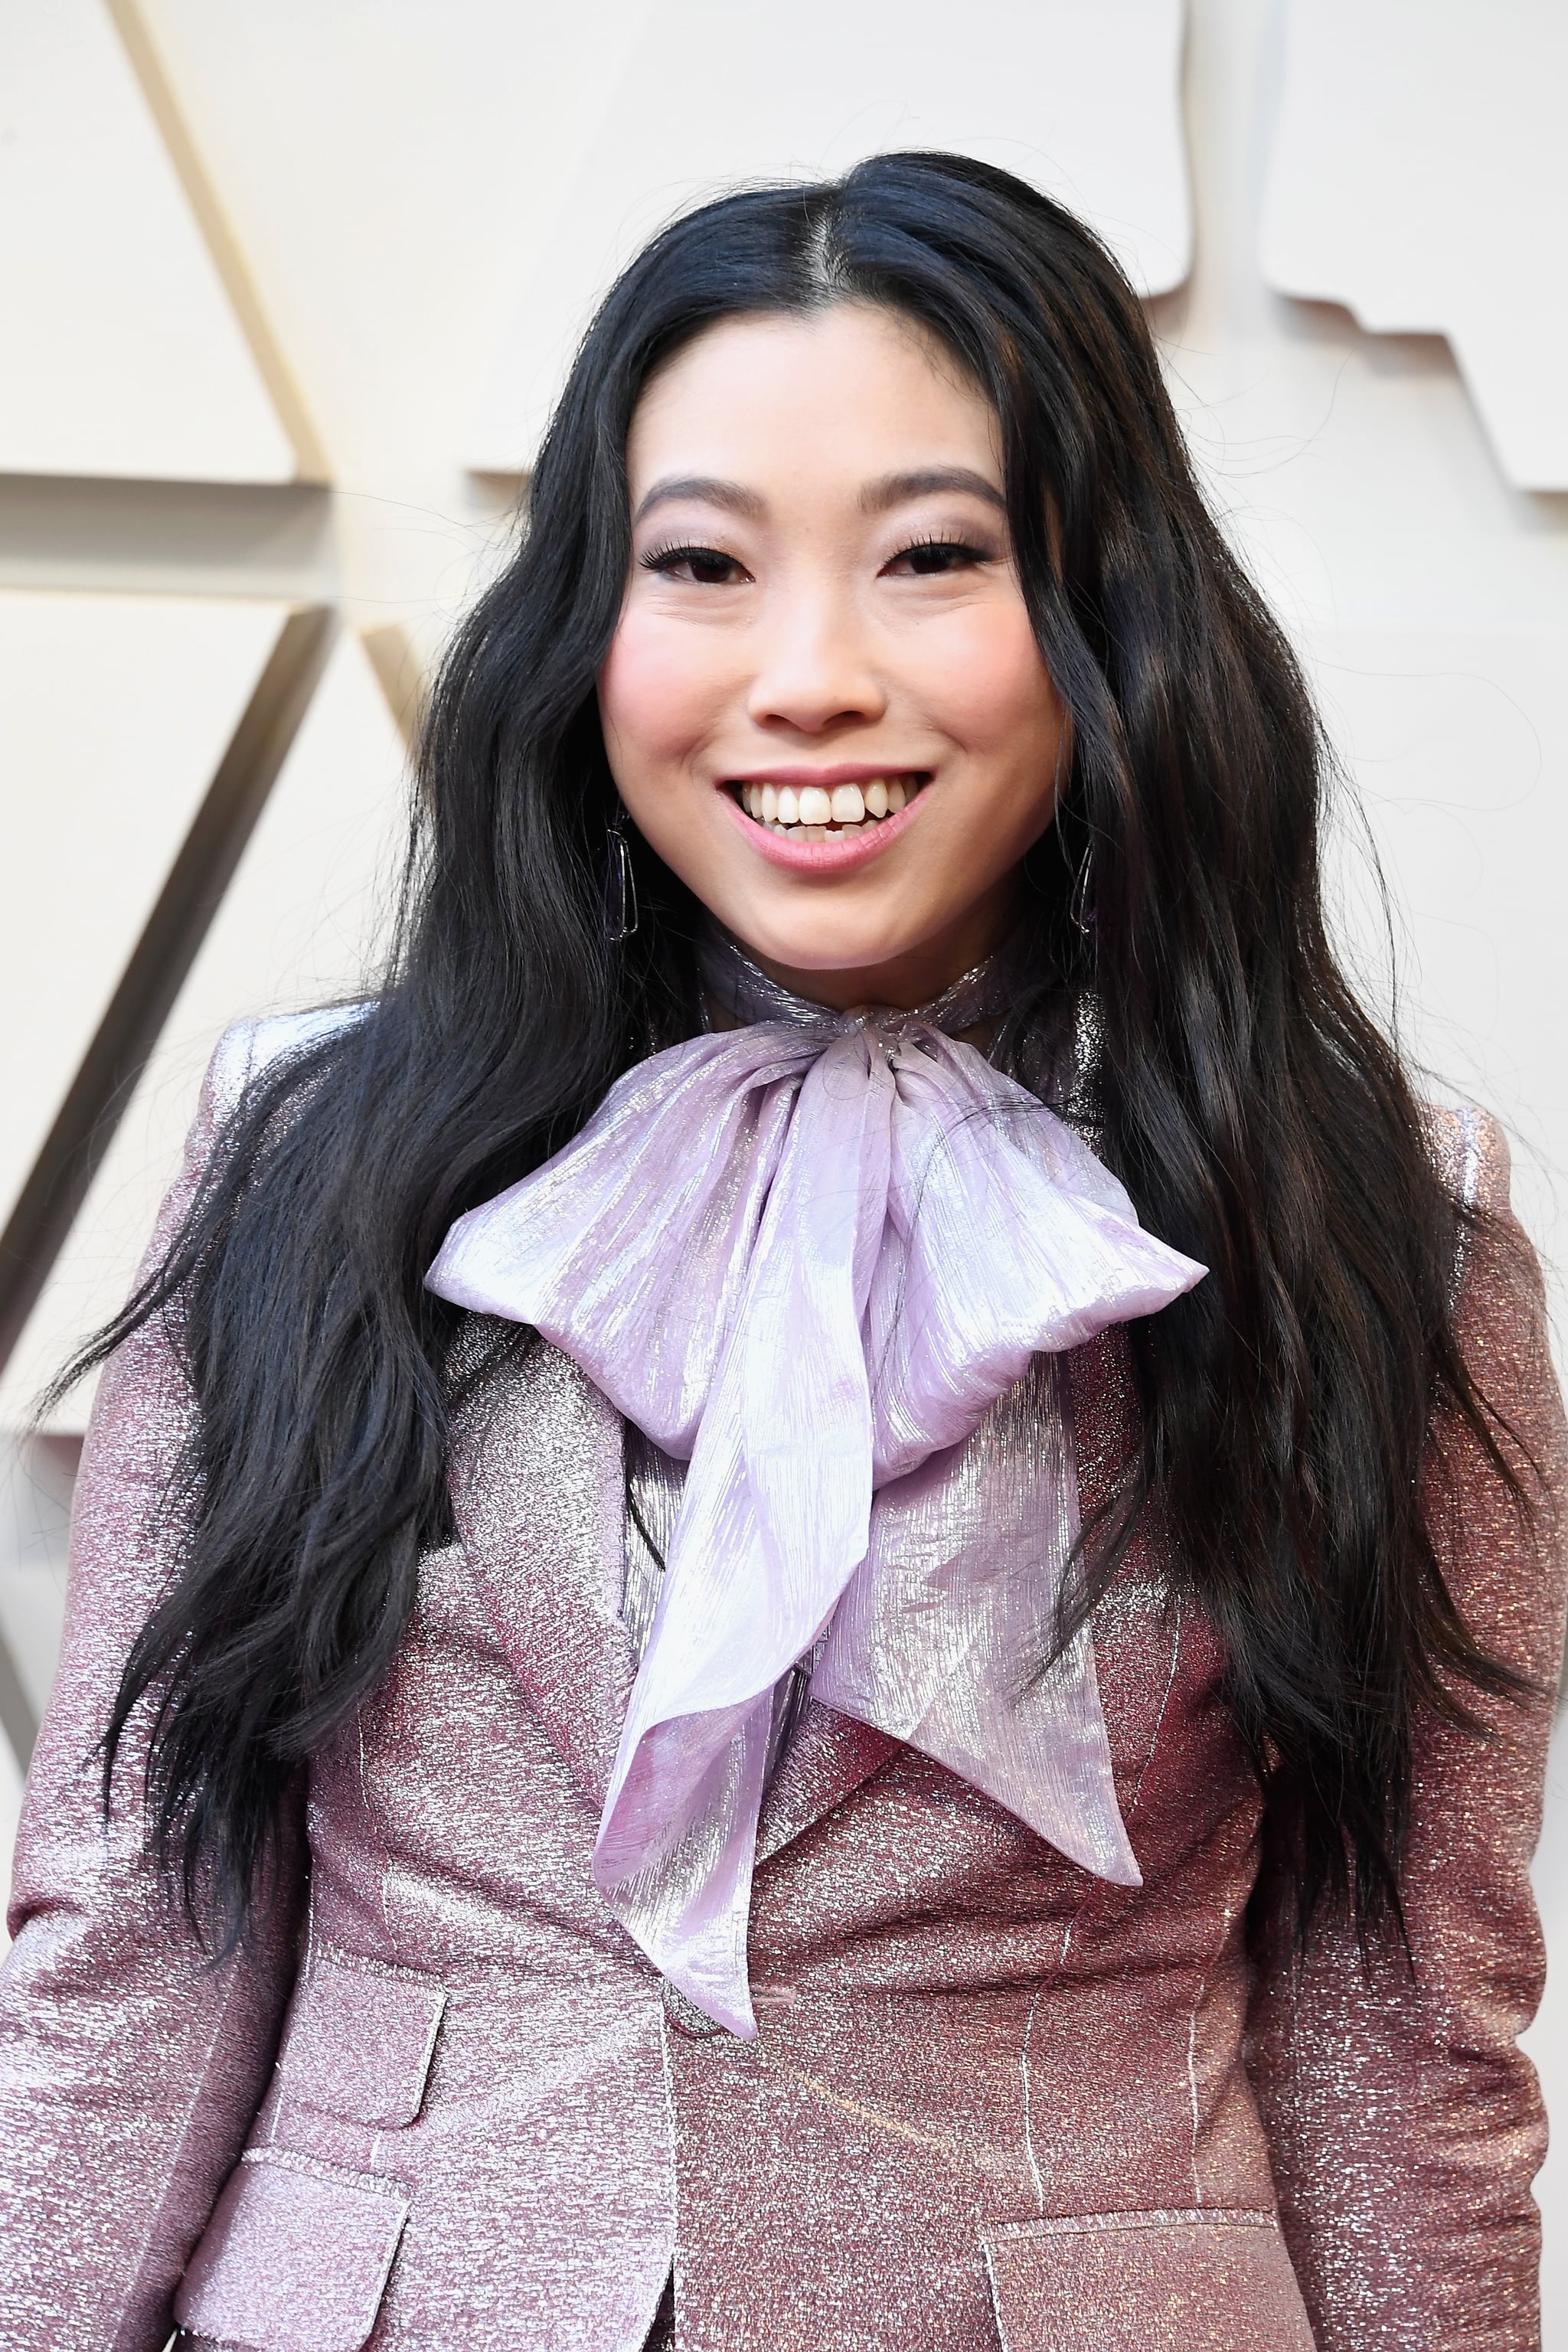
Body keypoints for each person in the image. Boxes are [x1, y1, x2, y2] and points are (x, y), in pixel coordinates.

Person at [0, 152, 1560, 2352]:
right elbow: (129, 1948)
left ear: (1106, 613)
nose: (808, 675)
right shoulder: (309, 1156)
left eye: (931, 556)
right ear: (589, 628)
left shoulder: (1380, 1216)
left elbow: (1410, 2041)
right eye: (704, 566)